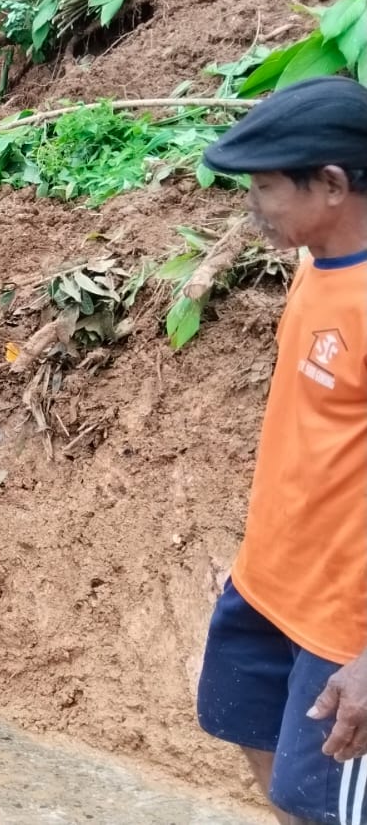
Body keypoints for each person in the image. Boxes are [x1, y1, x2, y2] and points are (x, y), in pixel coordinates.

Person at [194, 76, 367, 825]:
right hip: (270, 585)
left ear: (330, 183)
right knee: (267, 766)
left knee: (324, 805)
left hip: (345, 620)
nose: (253, 207)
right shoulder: (314, 264)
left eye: (265, 187)